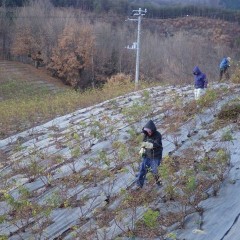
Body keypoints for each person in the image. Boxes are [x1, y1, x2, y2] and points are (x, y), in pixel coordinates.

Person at [136, 120, 163, 189]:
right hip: (147, 155)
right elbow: (143, 143)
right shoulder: (146, 135)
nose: (149, 133)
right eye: (147, 131)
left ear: (152, 130)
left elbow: (156, 144)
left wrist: (146, 144)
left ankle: (158, 182)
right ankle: (139, 185)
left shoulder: (158, 135)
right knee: (142, 170)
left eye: (150, 131)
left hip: (156, 156)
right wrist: (142, 150)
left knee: (154, 170)